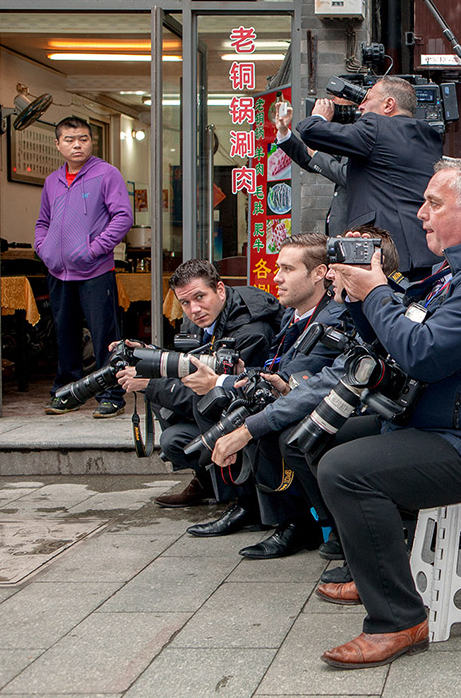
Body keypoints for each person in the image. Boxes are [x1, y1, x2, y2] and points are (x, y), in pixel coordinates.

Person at [312, 158, 461, 668]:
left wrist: (376, 293)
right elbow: (397, 337)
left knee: (344, 471)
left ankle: (398, 619)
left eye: (434, 204)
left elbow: (423, 353)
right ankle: (375, 568)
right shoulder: (456, 272)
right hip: (439, 424)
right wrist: (357, 298)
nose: (421, 214)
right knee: (323, 437)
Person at [209, 228, 401, 562]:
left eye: (340, 269)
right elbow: (319, 374)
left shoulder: (354, 312)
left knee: (300, 437)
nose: (333, 276)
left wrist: (249, 426)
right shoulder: (350, 309)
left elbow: (333, 375)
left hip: (394, 420)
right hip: (376, 411)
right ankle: (330, 529)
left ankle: (342, 534)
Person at [192, 232, 348, 559]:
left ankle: (317, 525)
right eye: (278, 268)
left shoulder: (332, 318)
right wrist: (231, 377)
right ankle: (256, 509)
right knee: (221, 406)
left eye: (287, 269)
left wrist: (223, 382)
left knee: (285, 434)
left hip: (335, 413)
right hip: (304, 400)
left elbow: (297, 378)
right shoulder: (294, 314)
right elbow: (274, 372)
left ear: (319, 273)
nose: (276, 278)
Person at [117, 259, 280, 535]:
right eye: (185, 303)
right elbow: (186, 365)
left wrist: (149, 383)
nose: (193, 310)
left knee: (186, 415)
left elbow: (230, 394)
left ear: (220, 289)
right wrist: (147, 355)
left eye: (200, 297)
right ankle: (207, 482)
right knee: (173, 439)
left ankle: (244, 502)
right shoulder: (205, 317)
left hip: (246, 419)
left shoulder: (251, 329)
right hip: (217, 412)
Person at [296, 77, 444, 280]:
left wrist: (320, 116)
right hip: (424, 247)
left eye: (367, 99)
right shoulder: (429, 135)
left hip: (385, 251)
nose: (361, 106)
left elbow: (311, 131)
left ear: (389, 104)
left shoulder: (377, 126)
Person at [36, 116, 134, 418]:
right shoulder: (52, 181)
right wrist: (44, 248)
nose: (77, 144)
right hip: (58, 272)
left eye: (83, 139)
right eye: (69, 139)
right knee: (64, 334)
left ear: (92, 141)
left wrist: (95, 249)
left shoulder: (106, 174)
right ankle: (66, 392)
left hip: (95, 271)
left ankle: (111, 395)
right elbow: (43, 222)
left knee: (105, 336)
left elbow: (123, 217)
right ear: (58, 144)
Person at [273, 99, 350, 236]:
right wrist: (284, 131)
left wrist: (317, 124)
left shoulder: (368, 134)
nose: (330, 105)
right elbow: (311, 160)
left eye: (335, 103)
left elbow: (344, 175)